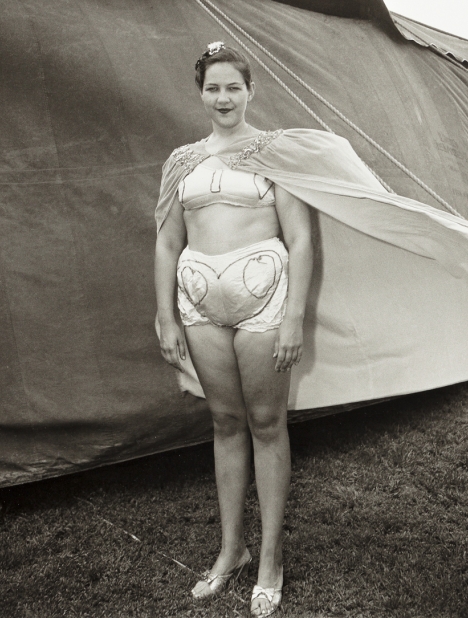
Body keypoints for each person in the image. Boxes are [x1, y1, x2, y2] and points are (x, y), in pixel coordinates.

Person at [155, 42, 313, 616]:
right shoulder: (182, 161)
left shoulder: (276, 154)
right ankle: (232, 550)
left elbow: (300, 237)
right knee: (224, 421)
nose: (223, 97)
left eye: (233, 87)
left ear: (251, 91)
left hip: (265, 301)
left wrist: (295, 314)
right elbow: (168, 240)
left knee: (267, 421)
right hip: (198, 304)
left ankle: (270, 558)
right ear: (201, 92)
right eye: (212, 87)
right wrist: (165, 314)